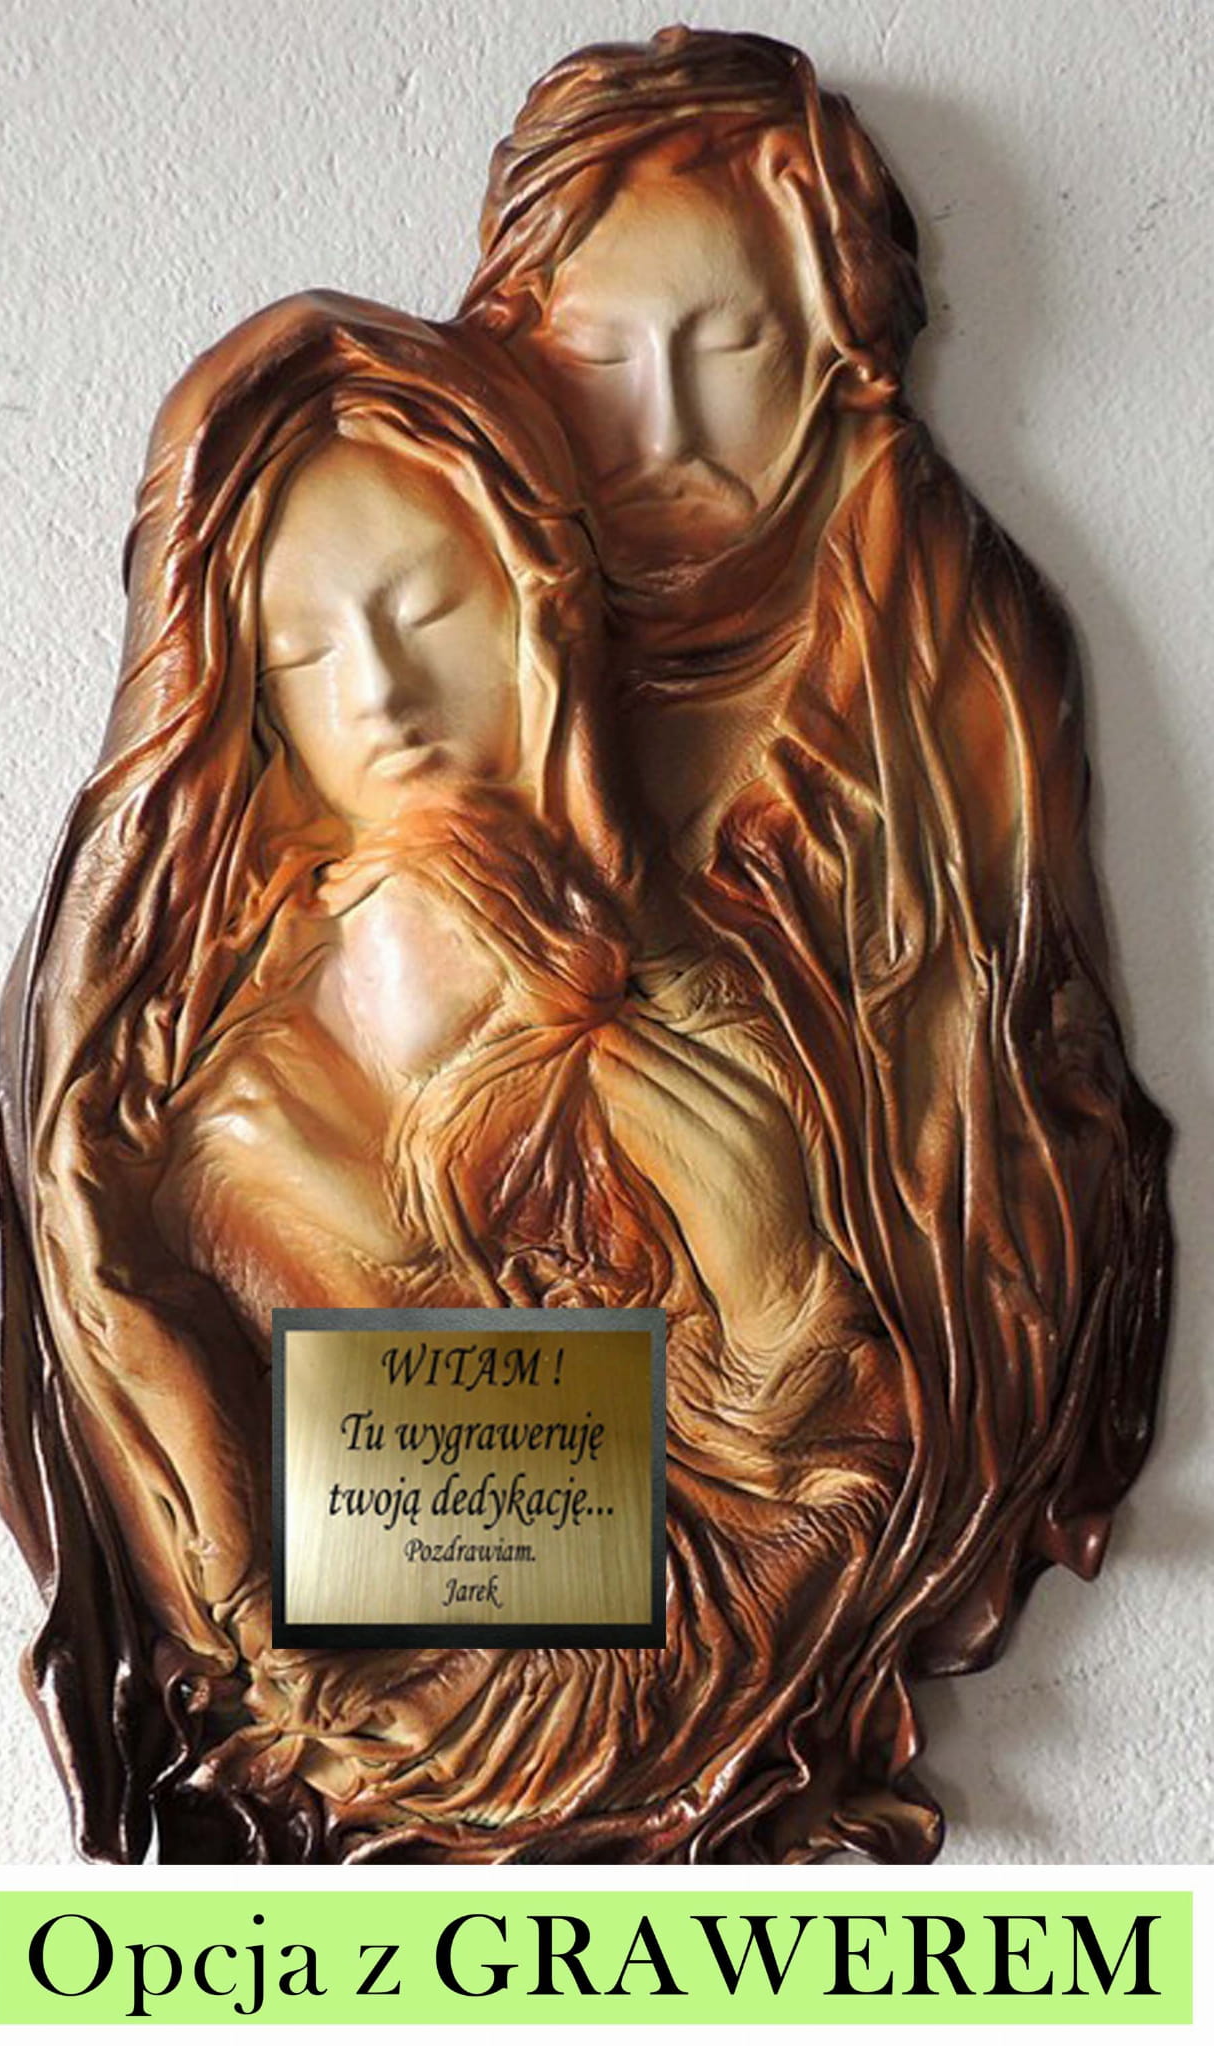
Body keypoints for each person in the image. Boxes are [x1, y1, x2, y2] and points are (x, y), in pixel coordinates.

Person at [0, 291, 908, 1863]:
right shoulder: (234, 1123)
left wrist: (777, 1291)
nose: (386, 697)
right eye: (308, 651)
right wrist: (766, 1345)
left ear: (543, 614)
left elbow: (842, 1492)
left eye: (429, 615)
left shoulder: (720, 999)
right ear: (249, 699)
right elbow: (391, 1653)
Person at [462, 26, 1172, 1858]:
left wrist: (788, 1280)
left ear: (844, 359)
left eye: (733, 349)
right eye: (604, 357)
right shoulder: (405, 631)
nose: (667, 430)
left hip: (838, 1444)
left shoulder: (954, 669)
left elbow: (1021, 1167)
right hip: (465, 1484)